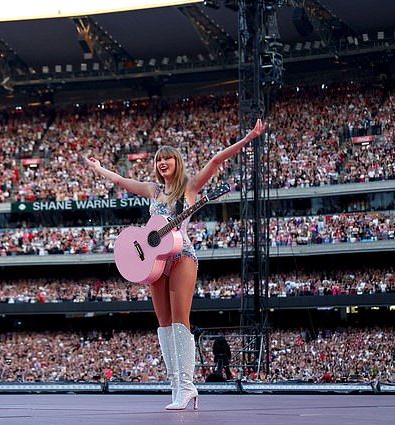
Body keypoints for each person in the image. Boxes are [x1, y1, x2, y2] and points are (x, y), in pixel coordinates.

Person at [83, 118, 265, 410]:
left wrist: (248, 139)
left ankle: (188, 386)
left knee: (181, 323)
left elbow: (217, 161)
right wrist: (96, 168)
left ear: (177, 162)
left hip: (181, 256)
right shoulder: (152, 190)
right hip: (154, 261)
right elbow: (119, 181)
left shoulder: (190, 187)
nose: (162, 161)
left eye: (167, 157)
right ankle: (174, 384)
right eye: (158, 159)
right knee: (164, 326)